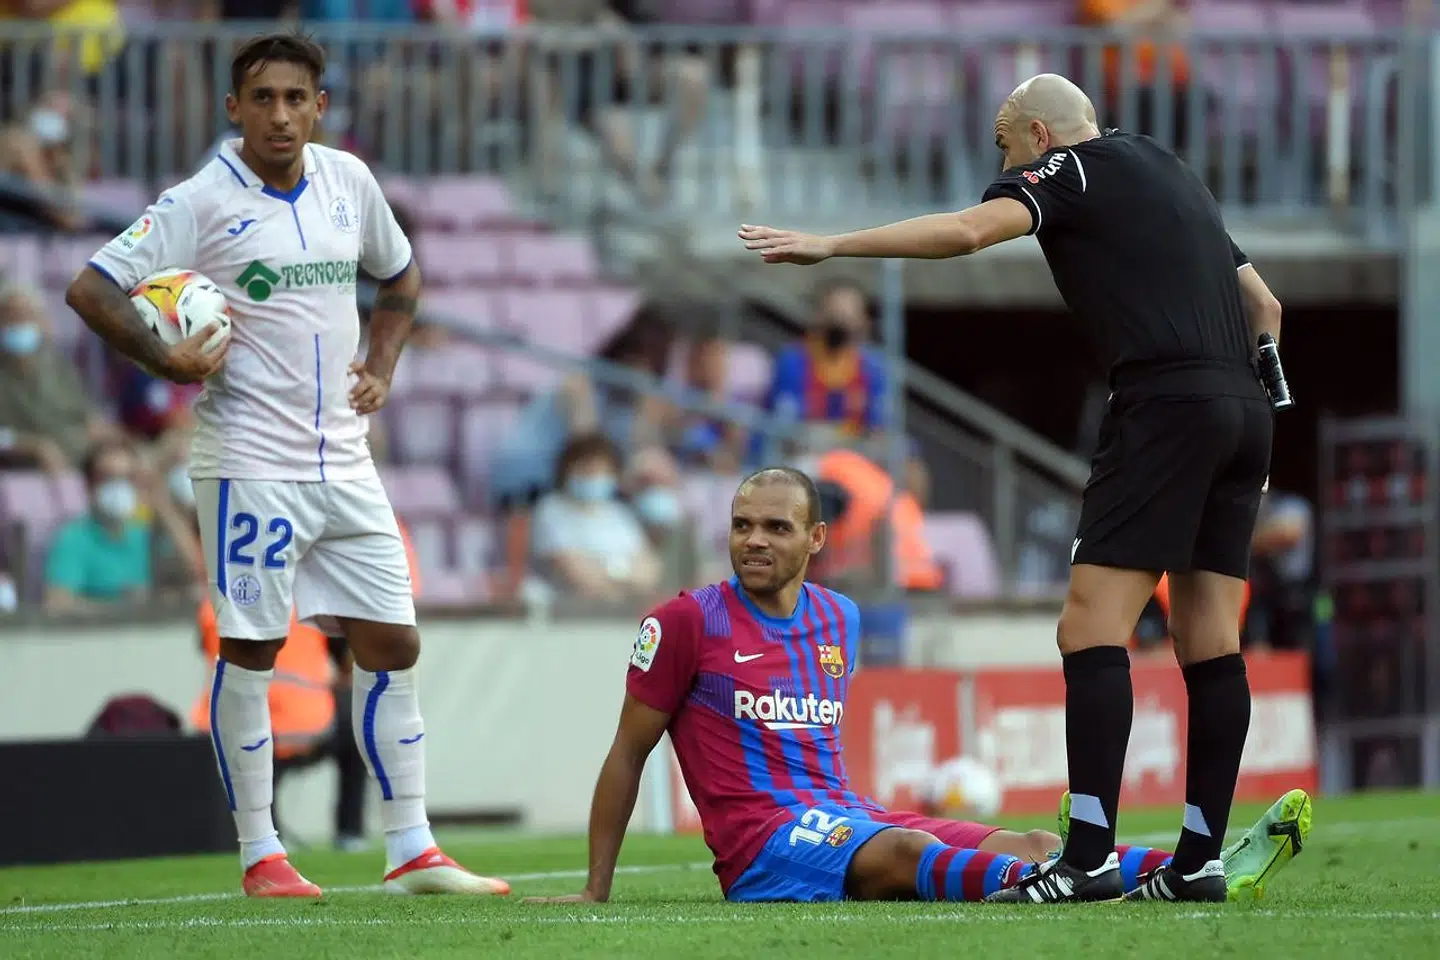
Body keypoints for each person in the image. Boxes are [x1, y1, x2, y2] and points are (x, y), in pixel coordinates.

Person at [738, 74, 1287, 904]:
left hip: (1166, 403)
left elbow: (965, 231)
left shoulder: (1068, 169)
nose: (1001, 162)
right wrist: (1261, 397)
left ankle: (1090, 857)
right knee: (1209, 636)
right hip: (1248, 408)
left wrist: (833, 245)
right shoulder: (1171, 168)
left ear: (1038, 133)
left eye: (1003, 145)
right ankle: (1200, 860)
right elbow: (1265, 302)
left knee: (1088, 627)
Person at [64, 32, 507, 899]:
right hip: (249, 462)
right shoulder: (198, 200)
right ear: (233, 110)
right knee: (255, 648)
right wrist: (167, 363)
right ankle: (262, 854)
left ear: (319, 107)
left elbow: (402, 279)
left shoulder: (350, 182)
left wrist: (381, 368)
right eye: (261, 98)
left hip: (344, 458)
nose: (279, 114)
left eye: (294, 98)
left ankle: (411, 848)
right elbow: (90, 287)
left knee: (394, 642)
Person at [527, 467, 1309, 906]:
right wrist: (595, 891)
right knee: (908, 848)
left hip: (847, 815)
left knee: (1044, 840)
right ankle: (1056, 891)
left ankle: (1195, 869)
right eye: (742, 525)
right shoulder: (687, 622)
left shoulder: (839, 618)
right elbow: (628, 753)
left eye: (775, 527)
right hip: (767, 848)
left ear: (816, 539)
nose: (755, 540)